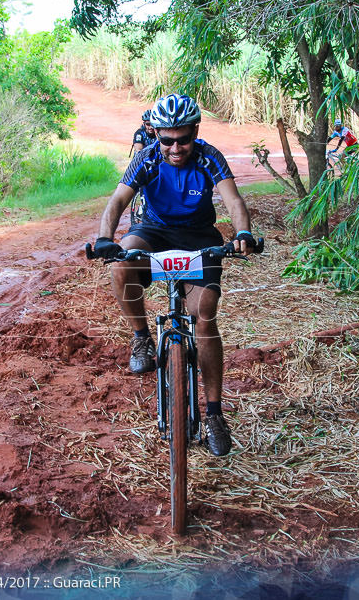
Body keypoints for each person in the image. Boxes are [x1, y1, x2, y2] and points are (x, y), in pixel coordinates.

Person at [92, 93, 259, 457]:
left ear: (195, 132)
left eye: (183, 138)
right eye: (167, 139)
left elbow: (233, 201)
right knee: (120, 265)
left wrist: (242, 233)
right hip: (152, 231)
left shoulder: (208, 156)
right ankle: (141, 338)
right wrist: (105, 238)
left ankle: (214, 414)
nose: (175, 147)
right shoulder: (147, 158)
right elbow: (117, 202)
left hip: (199, 237)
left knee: (203, 316)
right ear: (156, 134)